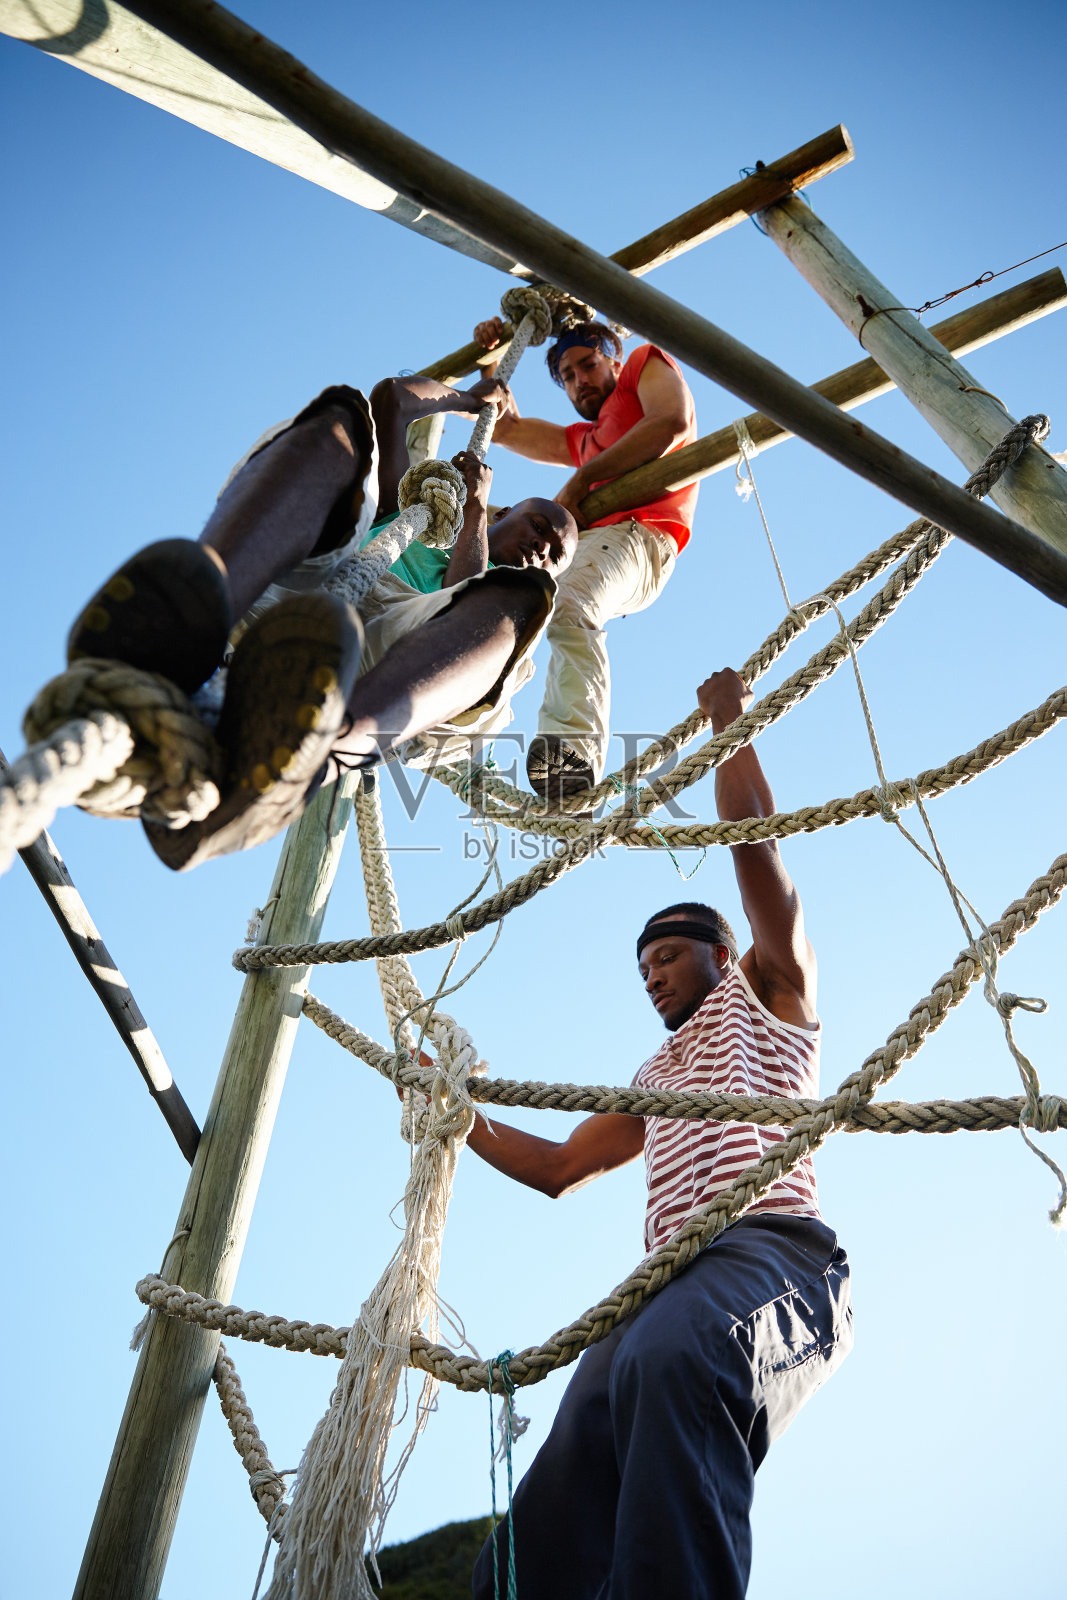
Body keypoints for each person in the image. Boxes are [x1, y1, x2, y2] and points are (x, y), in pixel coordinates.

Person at [465, 666, 853, 1599]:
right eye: (642, 968)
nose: (652, 977)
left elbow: (756, 851)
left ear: (720, 954)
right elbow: (561, 1166)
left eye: (668, 956)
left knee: (677, 1357)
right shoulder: (654, 1076)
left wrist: (727, 720)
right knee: (562, 1485)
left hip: (770, 1256)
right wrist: (455, 1118)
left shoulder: (769, 994)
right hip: (664, 1283)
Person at [65, 377, 578, 869]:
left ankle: (299, 766)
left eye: (554, 554)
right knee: (341, 426)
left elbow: (464, 588)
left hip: (386, 669)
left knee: (522, 605)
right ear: (507, 514)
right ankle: (196, 614)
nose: (541, 547)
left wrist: (475, 508)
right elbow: (392, 399)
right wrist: (468, 399)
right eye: (538, 526)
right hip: (302, 593)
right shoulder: (406, 517)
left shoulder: (501, 599)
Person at [471, 317, 699, 799]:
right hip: (589, 542)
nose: (579, 380)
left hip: (641, 536)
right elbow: (506, 429)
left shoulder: (641, 366)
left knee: (571, 603)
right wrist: (495, 355)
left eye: (588, 365)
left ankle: (572, 752)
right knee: (474, 525)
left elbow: (670, 422)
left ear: (613, 360)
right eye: (568, 376)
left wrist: (581, 480)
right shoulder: (586, 439)